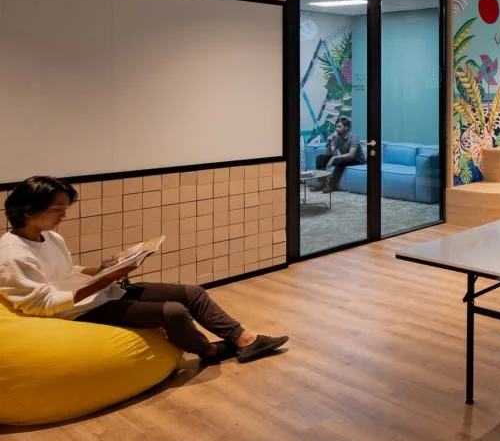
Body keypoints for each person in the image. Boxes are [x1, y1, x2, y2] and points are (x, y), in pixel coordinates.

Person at [1, 176, 289, 363]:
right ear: (28, 211)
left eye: (64, 208)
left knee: (192, 292)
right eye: (56, 209)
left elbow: (64, 271)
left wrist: (105, 268)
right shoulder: (12, 257)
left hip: (100, 292)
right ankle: (210, 351)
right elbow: (43, 305)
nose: (63, 215)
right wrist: (103, 282)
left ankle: (245, 340)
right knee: (173, 312)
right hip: (81, 310)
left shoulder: (50, 236)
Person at [312, 116, 363, 193]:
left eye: (339, 127)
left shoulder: (353, 137)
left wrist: (334, 158)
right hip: (345, 158)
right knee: (320, 158)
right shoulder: (336, 137)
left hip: (357, 160)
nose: (336, 129)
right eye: (336, 126)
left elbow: (351, 155)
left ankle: (332, 185)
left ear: (346, 127)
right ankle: (321, 182)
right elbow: (329, 153)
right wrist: (329, 142)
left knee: (340, 161)